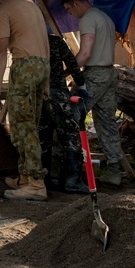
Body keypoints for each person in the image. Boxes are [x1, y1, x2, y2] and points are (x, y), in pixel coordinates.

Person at [0, 0, 51, 201]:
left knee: (24, 127)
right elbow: (45, 42)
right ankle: (25, 178)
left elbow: (1, 50)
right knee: (30, 122)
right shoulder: (30, 5)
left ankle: (35, 183)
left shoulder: (3, 10)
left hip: (25, 66)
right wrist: (47, 82)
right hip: (42, 66)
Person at [61, 0, 123, 186]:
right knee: (106, 122)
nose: (70, 14)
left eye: (69, 9)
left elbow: (85, 53)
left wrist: (65, 73)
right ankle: (114, 170)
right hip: (109, 73)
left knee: (69, 115)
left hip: (95, 74)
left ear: (76, 3)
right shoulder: (105, 17)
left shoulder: (87, 19)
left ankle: (69, 169)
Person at [39, 33, 88, 193]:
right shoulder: (55, 41)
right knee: (71, 134)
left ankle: (45, 179)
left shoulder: (30, 40)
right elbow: (72, 62)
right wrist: (80, 83)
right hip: (57, 92)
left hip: (38, 95)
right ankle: (73, 180)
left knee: (43, 137)